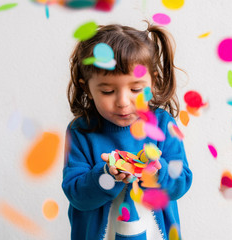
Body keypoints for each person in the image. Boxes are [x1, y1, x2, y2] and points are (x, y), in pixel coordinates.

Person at [62, 21, 193, 240]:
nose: (123, 102)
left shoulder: (162, 125)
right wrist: (106, 176)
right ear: (88, 88)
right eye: (108, 91)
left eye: (136, 89)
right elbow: (77, 195)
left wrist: (157, 174)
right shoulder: (80, 132)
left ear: (153, 81)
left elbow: (181, 183)